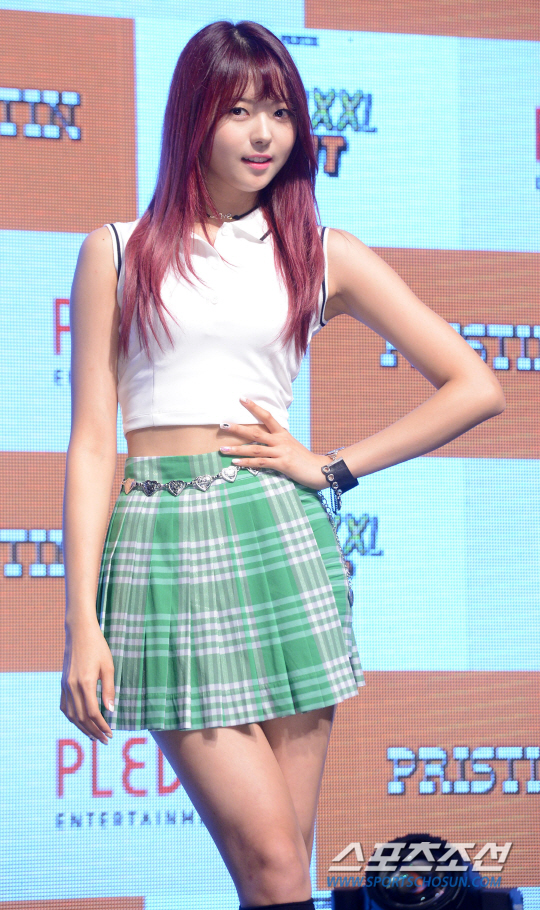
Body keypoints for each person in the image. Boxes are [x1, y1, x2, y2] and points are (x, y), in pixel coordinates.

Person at [60, 19, 505, 910]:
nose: (264, 133)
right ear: (193, 118)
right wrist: (80, 623)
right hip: (163, 549)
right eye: (238, 111)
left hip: (280, 540)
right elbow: (94, 443)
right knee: (272, 861)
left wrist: (332, 466)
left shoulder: (321, 251)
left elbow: (476, 385)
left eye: (280, 112)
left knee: (281, 868)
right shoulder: (116, 250)